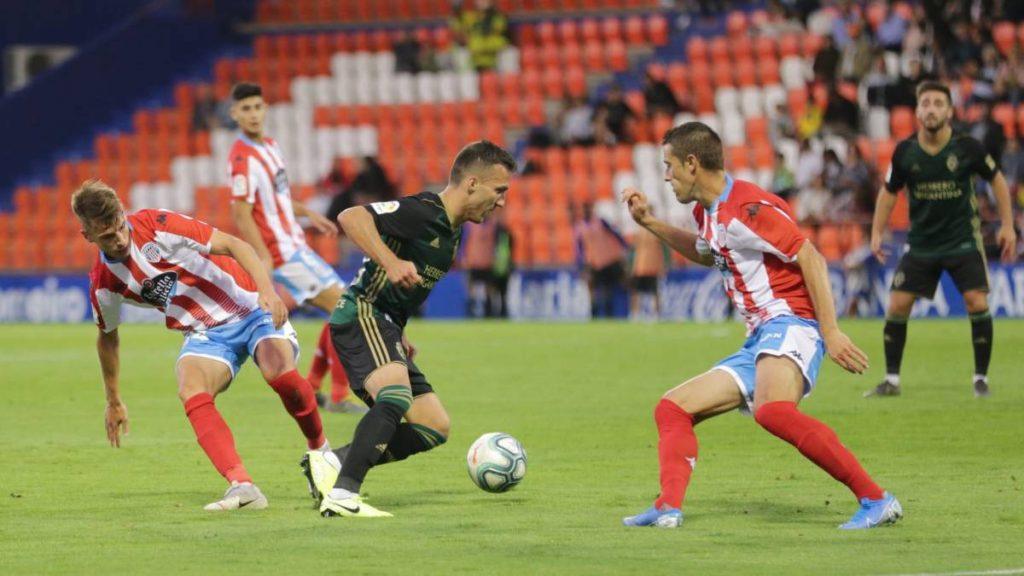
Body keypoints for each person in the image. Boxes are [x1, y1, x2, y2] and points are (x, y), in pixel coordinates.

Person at [620, 122, 900, 530]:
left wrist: (831, 330)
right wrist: (649, 223)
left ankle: (877, 498)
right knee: (673, 408)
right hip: (760, 338)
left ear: (692, 164)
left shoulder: (748, 209)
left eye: (669, 165)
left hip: (791, 324)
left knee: (773, 412)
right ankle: (668, 507)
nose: (666, 175)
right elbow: (706, 253)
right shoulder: (707, 212)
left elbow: (811, 257)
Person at [74, 179, 328, 511]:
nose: (120, 239)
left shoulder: (156, 225)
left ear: (124, 213)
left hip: (250, 305)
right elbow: (108, 339)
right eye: (108, 237)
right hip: (205, 331)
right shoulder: (104, 283)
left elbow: (236, 246)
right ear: (89, 237)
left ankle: (321, 453)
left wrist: (268, 291)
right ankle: (243, 486)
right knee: (191, 387)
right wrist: (114, 400)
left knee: (278, 374)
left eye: (120, 226)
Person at [302, 141, 516, 518]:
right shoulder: (423, 210)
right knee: (395, 396)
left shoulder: (452, 233)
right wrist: (391, 260)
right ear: (471, 183)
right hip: (362, 313)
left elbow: (402, 288)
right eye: (498, 190)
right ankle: (343, 494)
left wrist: (399, 333)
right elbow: (352, 217)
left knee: (434, 426)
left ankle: (334, 463)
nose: (501, 202)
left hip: (385, 323)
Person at [869, 81, 1016, 398]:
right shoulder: (905, 151)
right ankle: (891, 381)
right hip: (921, 243)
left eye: (938, 103)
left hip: (962, 239)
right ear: (918, 111)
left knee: (976, 301)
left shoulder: (968, 147)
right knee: (896, 305)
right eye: (926, 103)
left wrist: (1007, 225)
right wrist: (876, 232)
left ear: (949, 111)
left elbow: (998, 181)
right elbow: (889, 192)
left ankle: (981, 379)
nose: (931, 109)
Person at [226, 82, 366, 414]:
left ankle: (318, 388)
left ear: (266, 109)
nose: (253, 114)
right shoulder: (241, 158)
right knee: (348, 310)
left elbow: (279, 198)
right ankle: (339, 395)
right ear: (235, 114)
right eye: (246, 109)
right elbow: (241, 213)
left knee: (343, 310)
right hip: (283, 254)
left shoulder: (271, 146)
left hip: (296, 246)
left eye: (258, 107)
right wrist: (264, 257)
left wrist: (309, 213)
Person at [574, 202, 628, 318]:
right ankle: (594, 314)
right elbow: (579, 248)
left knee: (607, 289)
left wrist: (624, 246)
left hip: (607, 260)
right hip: (592, 263)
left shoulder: (601, 222)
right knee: (593, 290)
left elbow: (615, 234)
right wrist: (581, 265)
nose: (587, 212)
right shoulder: (580, 227)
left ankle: (609, 314)